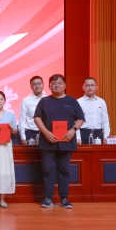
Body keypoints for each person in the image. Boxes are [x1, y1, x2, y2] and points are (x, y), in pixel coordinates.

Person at [34, 74, 84, 209]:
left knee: (64, 170)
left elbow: (80, 118)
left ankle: (64, 198)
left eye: (59, 83)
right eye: (53, 83)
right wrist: (46, 132)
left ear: (65, 85)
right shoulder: (44, 101)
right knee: (47, 170)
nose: (56, 85)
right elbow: (37, 118)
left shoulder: (72, 101)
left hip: (66, 141)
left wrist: (73, 130)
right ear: (50, 86)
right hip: (48, 141)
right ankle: (48, 198)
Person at [77, 77, 111, 145]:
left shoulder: (101, 102)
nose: (90, 88)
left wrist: (106, 136)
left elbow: (105, 121)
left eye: (92, 85)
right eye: (87, 85)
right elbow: (75, 121)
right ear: (83, 87)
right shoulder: (78, 102)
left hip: (98, 134)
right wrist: (78, 137)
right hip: (83, 134)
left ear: (96, 87)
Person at [18, 76, 45, 145]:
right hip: (30, 133)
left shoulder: (48, 99)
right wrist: (23, 137)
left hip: (45, 133)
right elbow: (22, 120)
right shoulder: (26, 100)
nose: (37, 86)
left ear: (43, 84)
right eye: (34, 84)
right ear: (31, 86)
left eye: (39, 83)